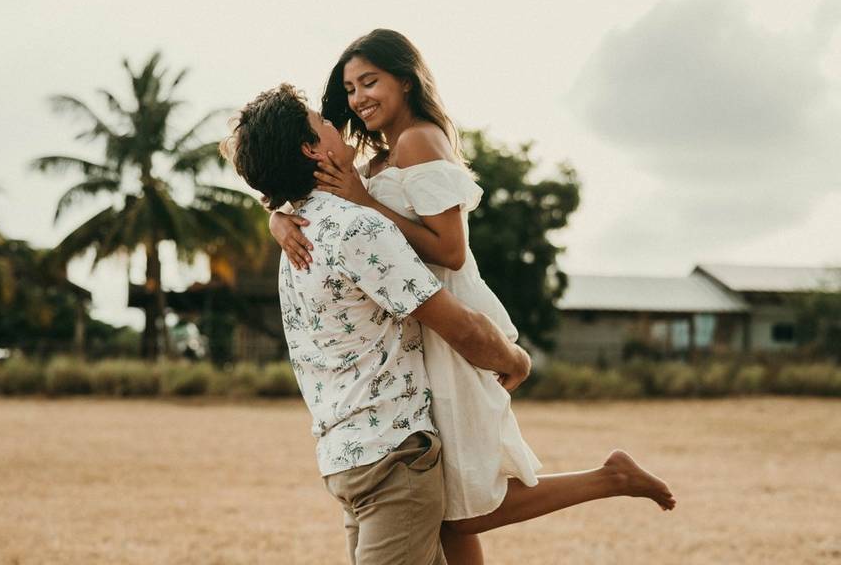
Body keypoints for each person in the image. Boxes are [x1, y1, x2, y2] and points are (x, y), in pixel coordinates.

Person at [269, 29, 677, 564]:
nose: (358, 97)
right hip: (414, 326)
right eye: (349, 89)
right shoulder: (377, 156)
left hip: (446, 318)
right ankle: (610, 475)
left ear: (407, 80)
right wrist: (278, 219)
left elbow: (451, 250)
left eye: (370, 81)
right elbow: (300, 187)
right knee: (447, 506)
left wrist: (367, 201)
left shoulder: (420, 140)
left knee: (456, 505)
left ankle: (610, 477)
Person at [222, 83, 532, 565]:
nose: (333, 121)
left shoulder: (295, 235)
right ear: (312, 148)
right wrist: (514, 357)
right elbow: (459, 327)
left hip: (346, 458)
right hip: (392, 459)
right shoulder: (356, 229)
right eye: (320, 122)